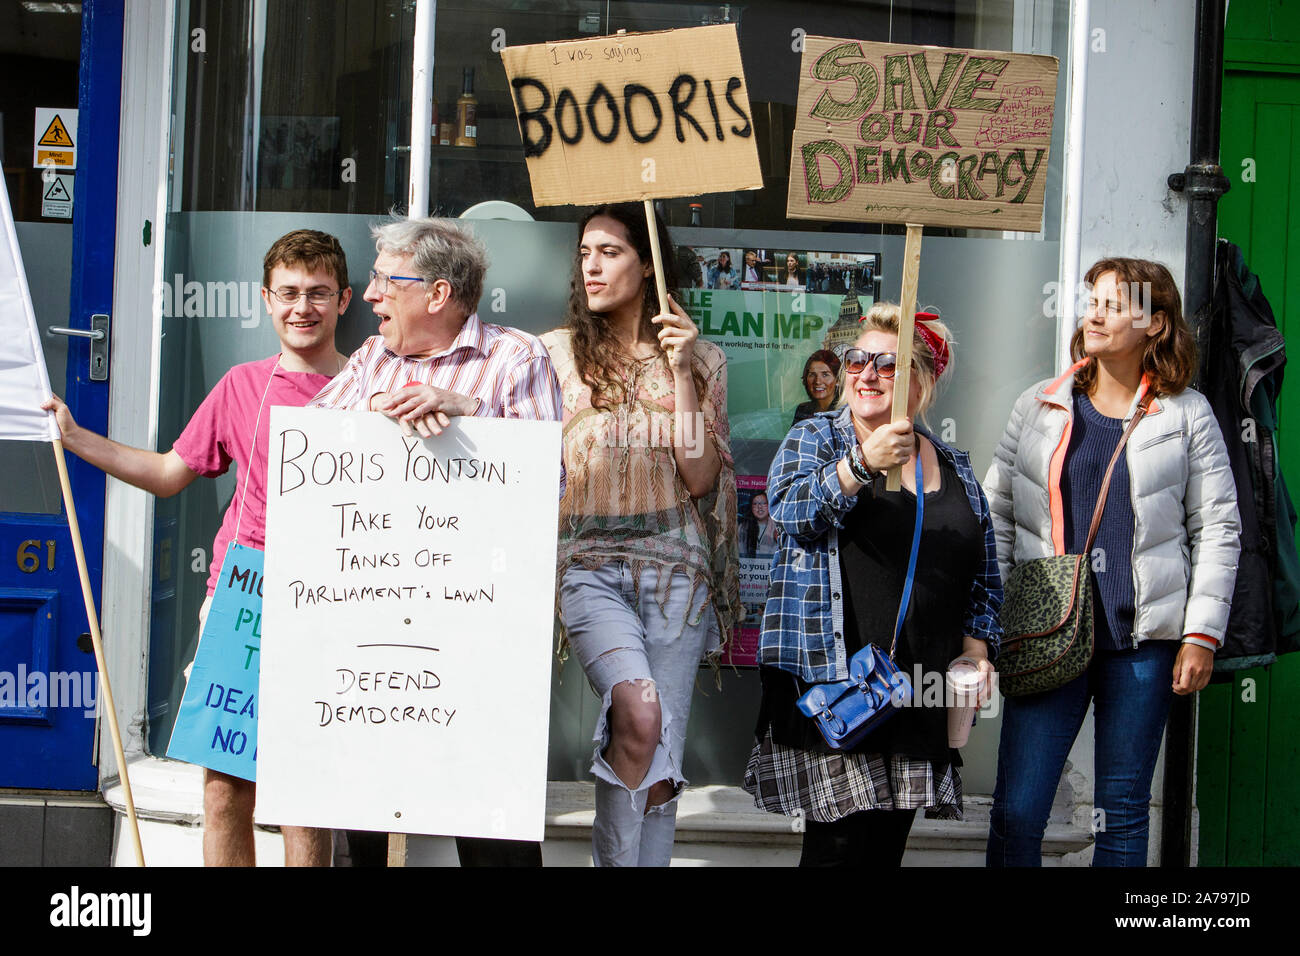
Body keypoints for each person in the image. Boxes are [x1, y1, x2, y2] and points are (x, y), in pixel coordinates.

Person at [43, 229, 352, 866]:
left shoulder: (370, 388)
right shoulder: (241, 386)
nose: (303, 307)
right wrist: (75, 437)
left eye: (318, 293)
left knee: (302, 789)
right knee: (224, 788)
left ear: (345, 300)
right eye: (289, 293)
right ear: (267, 299)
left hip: (334, 595)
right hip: (245, 593)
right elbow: (166, 473)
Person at [310, 217, 562, 867]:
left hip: (480, 639)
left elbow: (548, 480)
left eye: (384, 281)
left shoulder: (514, 358)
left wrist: (465, 411)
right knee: (366, 829)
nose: (368, 296)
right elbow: (309, 453)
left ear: (439, 294)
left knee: (490, 834)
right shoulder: (371, 361)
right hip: (375, 636)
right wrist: (373, 417)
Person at [984, 258, 1240, 867]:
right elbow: (995, 513)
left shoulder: (1187, 415)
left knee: (1122, 815)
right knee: (1018, 810)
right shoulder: (1039, 406)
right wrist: (987, 624)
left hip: (1141, 645)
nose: (1095, 312)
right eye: (1092, 300)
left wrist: (1201, 634)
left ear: (1154, 323)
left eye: (1115, 302)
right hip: (1047, 636)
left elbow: (1219, 527)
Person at [744, 303, 1002, 867]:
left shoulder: (955, 467)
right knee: (836, 853)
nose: (864, 374)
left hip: (918, 692)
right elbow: (789, 511)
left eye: (886, 365)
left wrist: (978, 652)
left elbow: (983, 574)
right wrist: (862, 463)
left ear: (922, 380)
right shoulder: (816, 438)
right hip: (841, 686)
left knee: (884, 854)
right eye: (856, 359)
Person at [541, 203, 741, 867]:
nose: (591, 266)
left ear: (647, 261)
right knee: (639, 711)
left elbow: (701, 474)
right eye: (585, 252)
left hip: (677, 580)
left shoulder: (704, 359)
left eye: (610, 251)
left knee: (660, 762)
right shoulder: (554, 356)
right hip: (588, 569)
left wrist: (681, 372)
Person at [790, 349, 841, 427]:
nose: (817, 381)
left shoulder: (844, 413)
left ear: (837, 380)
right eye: (812, 375)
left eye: (825, 375)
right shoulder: (802, 410)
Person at [739, 490, 779, 557]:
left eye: (763, 503)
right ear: (751, 507)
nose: (759, 507)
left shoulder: (777, 527)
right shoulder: (743, 527)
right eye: (755, 504)